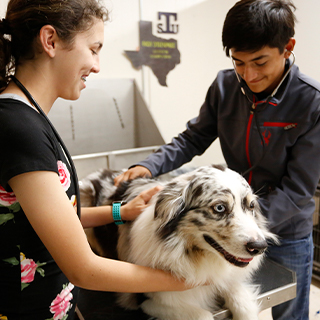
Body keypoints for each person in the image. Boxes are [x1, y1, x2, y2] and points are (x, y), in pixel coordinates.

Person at [115, 0, 320, 319]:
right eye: (239, 62)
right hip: (231, 223)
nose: (249, 75)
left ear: (287, 48)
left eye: (260, 62)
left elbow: (298, 190)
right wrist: (150, 165)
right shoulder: (225, 86)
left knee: (290, 312)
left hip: (287, 231)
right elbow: (193, 138)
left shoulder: (312, 102)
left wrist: (245, 225)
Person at [0, 1, 193, 319]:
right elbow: (85, 270)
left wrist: (124, 212)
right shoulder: (20, 128)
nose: (97, 65)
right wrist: (186, 280)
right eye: (93, 49)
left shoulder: (27, 118)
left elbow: (55, 218)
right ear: (51, 41)